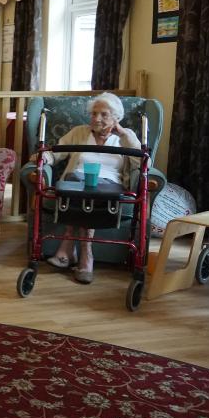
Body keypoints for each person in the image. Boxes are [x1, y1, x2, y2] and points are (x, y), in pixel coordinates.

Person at [29, 92, 141, 284]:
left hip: (109, 186)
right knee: (79, 191)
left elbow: (141, 162)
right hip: (76, 182)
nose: (96, 119)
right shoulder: (80, 132)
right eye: (94, 114)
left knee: (90, 195)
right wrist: (44, 157)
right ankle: (81, 256)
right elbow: (56, 152)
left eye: (104, 114)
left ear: (116, 117)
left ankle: (75, 251)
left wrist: (123, 134)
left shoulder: (126, 137)